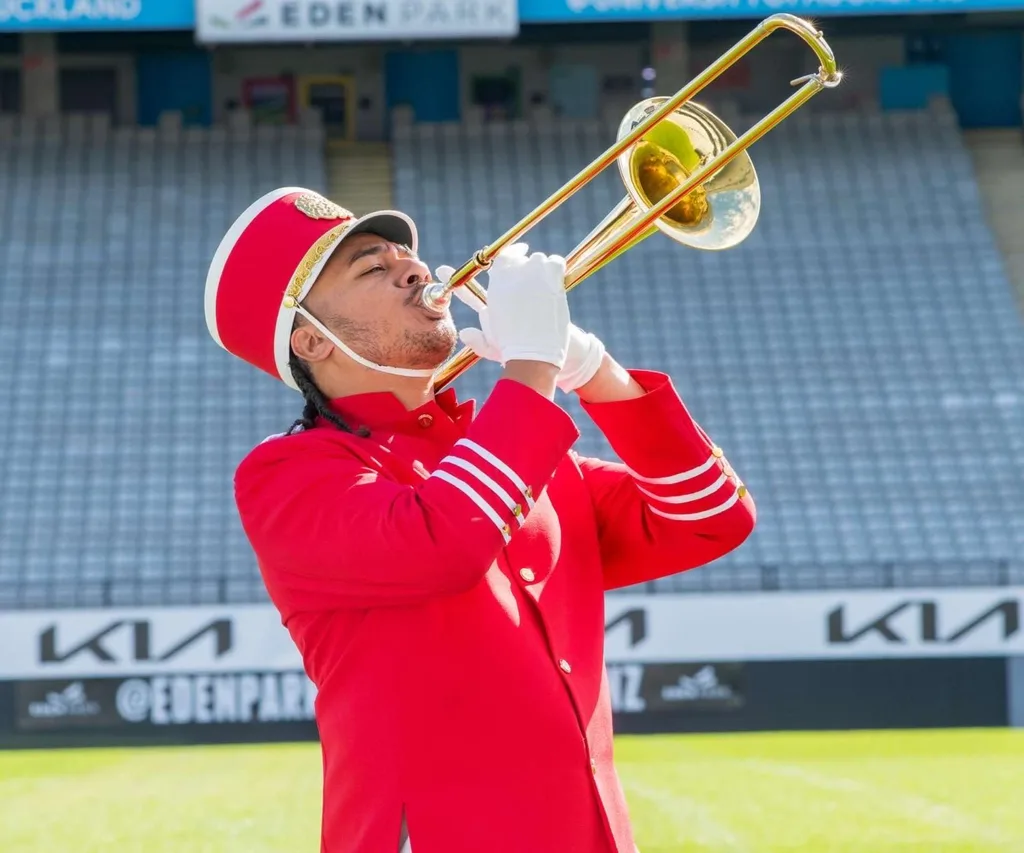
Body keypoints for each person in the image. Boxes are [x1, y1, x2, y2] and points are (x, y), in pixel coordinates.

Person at [204, 187, 756, 853]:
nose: (414, 268)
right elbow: (444, 541)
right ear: (311, 340)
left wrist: (593, 369)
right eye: (372, 269)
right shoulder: (289, 474)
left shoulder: (509, 456)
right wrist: (531, 367)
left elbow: (710, 517)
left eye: (406, 254)